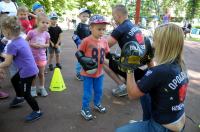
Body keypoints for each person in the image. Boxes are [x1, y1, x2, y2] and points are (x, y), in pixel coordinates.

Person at [116, 23, 188, 132]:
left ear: (164, 45)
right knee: (145, 92)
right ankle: (146, 122)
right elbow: (154, 78)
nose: (153, 45)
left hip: (163, 128)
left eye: (155, 40)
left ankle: (149, 126)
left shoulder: (160, 71)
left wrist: (129, 68)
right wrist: (149, 59)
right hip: (178, 121)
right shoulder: (180, 65)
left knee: (119, 131)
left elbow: (131, 94)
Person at [104, 4, 154, 97]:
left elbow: (104, 46)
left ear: (118, 16)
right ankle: (149, 79)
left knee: (100, 58)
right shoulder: (132, 25)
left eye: (113, 16)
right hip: (143, 67)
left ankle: (122, 86)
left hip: (132, 69)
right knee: (124, 54)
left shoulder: (119, 30)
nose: (113, 18)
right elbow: (124, 33)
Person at [0, 16, 43, 121]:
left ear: (7, 31)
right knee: (14, 79)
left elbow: (7, 63)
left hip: (27, 72)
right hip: (29, 68)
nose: (2, 33)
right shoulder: (20, 39)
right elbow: (11, 56)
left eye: (2, 30)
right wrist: (1, 54)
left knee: (27, 93)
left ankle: (37, 111)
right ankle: (19, 97)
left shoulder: (12, 45)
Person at [75, 14, 110, 120]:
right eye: (99, 29)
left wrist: (114, 58)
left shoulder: (104, 40)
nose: (102, 32)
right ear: (91, 28)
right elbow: (79, 53)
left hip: (100, 72)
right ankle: (84, 108)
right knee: (88, 92)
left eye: (104, 29)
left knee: (99, 90)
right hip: (88, 73)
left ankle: (97, 103)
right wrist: (83, 60)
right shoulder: (86, 40)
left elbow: (107, 53)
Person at [26, 13, 50, 97]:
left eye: (47, 23)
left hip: (42, 57)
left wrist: (43, 45)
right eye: (43, 22)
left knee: (41, 74)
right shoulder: (31, 32)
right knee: (33, 74)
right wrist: (32, 44)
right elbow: (25, 42)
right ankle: (33, 89)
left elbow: (48, 44)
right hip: (32, 57)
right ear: (37, 22)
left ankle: (42, 88)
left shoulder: (47, 34)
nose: (45, 25)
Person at [72, 8, 91, 81]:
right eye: (83, 16)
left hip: (88, 46)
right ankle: (78, 73)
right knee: (80, 60)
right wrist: (79, 42)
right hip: (81, 46)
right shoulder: (78, 25)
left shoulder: (88, 26)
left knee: (87, 59)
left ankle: (85, 72)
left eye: (87, 16)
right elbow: (74, 36)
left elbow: (90, 35)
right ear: (79, 16)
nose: (85, 18)